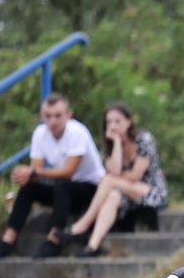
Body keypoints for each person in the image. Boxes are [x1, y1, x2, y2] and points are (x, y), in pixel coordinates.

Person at [0, 93, 105, 261]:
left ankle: (54, 239)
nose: (53, 121)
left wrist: (33, 172)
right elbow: (36, 172)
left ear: (68, 115)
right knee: (29, 188)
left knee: (62, 184)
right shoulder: (40, 134)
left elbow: (68, 172)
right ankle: (8, 239)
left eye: (58, 116)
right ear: (42, 116)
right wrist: (24, 175)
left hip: (91, 190)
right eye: (48, 116)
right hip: (64, 191)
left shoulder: (77, 132)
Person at [63, 103, 169, 256]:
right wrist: (117, 143)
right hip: (125, 194)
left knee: (108, 181)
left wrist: (116, 177)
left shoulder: (144, 139)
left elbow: (135, 176)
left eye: (117, 121)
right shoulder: (109, 145)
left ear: (129, 121)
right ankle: (93, 245)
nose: (112, 126)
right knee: (112, 195)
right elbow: (114, 171)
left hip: (150, 191)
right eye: (109, 122)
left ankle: (83, 224)